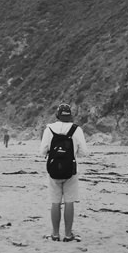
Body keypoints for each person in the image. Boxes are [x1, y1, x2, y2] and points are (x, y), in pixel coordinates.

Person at [40, 103, 88, 242]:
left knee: (55, 202)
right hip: (70, 170)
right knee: (69, 202)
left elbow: (42, 151)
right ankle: (68, 235)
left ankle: (55, 234)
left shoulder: (49, 129)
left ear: (57, 115)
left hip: (53, 170)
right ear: (70, 116)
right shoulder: (76, 129)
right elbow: (84, 152)